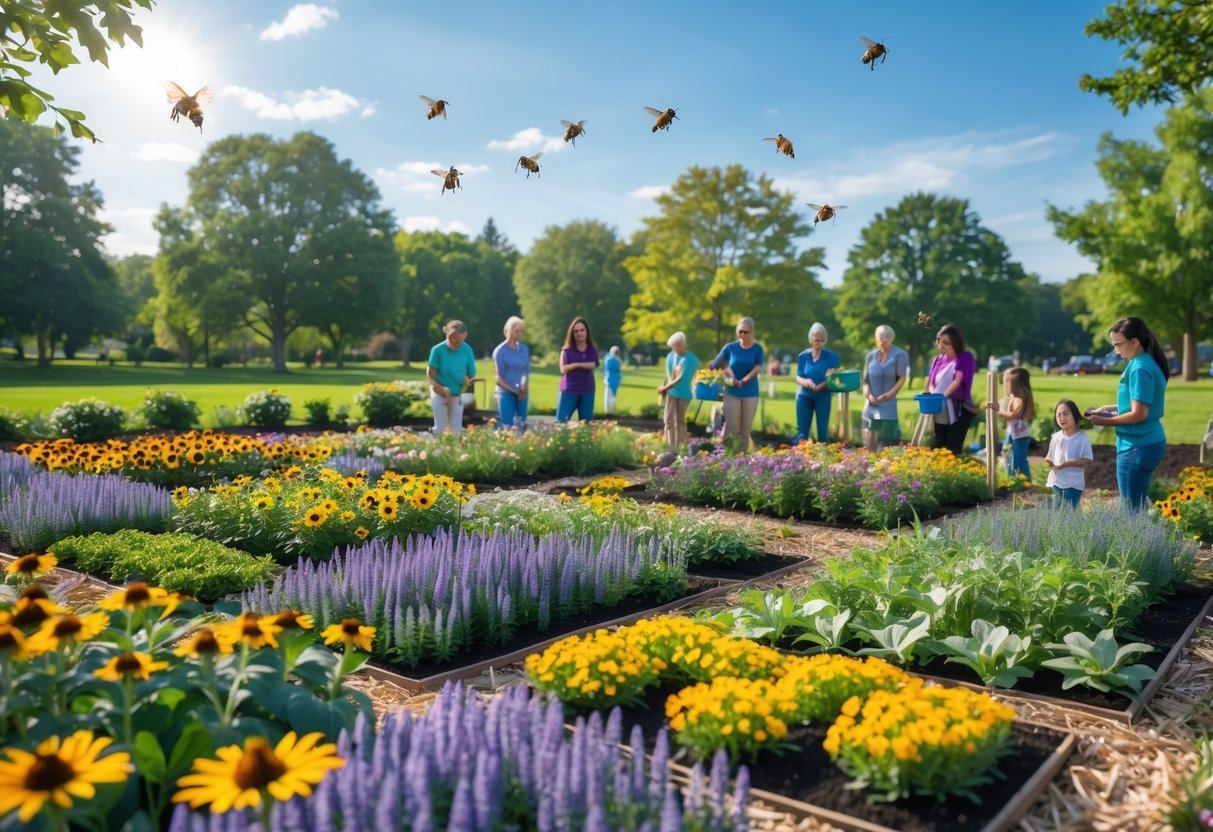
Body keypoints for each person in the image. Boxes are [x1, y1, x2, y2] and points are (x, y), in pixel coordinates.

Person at [1086, 316, 1169, 510]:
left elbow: (1139, 414)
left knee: (1131, 512)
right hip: (1146, 442)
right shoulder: (1143, 361)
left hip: (1137, 446)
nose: (1116, 351)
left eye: (1118, 345)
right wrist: (1109, 409)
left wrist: (1105, 421)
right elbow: (1140, 404)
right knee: (1136, 508)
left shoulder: (1139, 368)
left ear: (1135, 342)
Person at [710, 316, 763, 451]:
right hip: (731, 392)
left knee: (744, 431)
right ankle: (729, 457)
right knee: (732, 429)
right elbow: (714, 366)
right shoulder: (730, 348)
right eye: (740, 332)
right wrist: (727, 373)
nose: (742, 335)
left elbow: (757, 368)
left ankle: (742, 460)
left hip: (750, 392)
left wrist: (743, 381)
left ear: (752, 332)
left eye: (746, 332)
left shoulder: (757, 349)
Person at [926, 323, 978, 456]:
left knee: (952, 448)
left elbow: (957, 380)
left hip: (958, 408)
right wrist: (934, 396)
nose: (941, 345)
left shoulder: (965, 357)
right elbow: (931, 382)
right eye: (939, 341)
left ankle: (953, 468)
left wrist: (943, 396)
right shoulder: (938, 360)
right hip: (939, 408)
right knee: (938, 445)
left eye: (946, 342)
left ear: (955, 342)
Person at [861, 325, 910, 451]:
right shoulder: (870, 356)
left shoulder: (900, 355)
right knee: (869, 442)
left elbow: (901, 379)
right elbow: (865, 381)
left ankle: (886, 462)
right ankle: (868, 461)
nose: (884, 339)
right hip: (871, 404)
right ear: (876, 338)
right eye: (881, 336)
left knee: (887, 442)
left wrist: (887, 396)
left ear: (892, 338)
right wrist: (868, 395)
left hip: (888, 403)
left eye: (887, 336)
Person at [426, 320, 477, 435]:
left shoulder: (467, 350)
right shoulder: (437, 350)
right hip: (438, 391)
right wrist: (442, 389)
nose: (455, 342)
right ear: (445, 331)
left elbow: (471, 374)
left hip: (457, 394)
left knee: (456, 431)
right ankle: (435, 433)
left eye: (458, 341)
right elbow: (430, 376)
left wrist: (467, 382)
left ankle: (441, 438)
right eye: (451, 338)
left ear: (464, 337)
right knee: (441, 429)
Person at [794, 322, 840, 443]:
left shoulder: (831, 357)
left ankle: (822, 452)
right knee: (802, 433)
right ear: (810, 339)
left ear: (825, 340)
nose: (818, 343)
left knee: (822, 432)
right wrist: (806, 382)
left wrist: (821, 386)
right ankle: (799, 452)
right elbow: (798, 376)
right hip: (804, 395)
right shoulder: (803, 356)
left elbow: (833, 377)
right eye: (816, 340)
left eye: (821, 340)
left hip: (823, 396)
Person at [987, 367, 1035, 481]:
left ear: (1016, 385)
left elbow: (1011, 415)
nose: (1005, 384)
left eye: (1008, 381)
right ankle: (1011, 477)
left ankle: (1026, 481)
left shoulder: (1019, 399)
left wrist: (997, 411)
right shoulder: (1013, 397)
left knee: (1019, 459)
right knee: (1006, 453)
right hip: (1014, 433)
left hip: (1020, 436)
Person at [1045, 399, 1093, 508]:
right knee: (1056, 512)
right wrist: (1050, 463)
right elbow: (1050, 457)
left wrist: (1067, 464)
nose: (1062, 418)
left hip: (1073, 484)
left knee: (1070, 512)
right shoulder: (1056, 437)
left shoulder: (1082, 438)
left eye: (1066, 414)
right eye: (1058, 415)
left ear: (1075, 415)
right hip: (1056, 482)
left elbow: (1087, 460)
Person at [657, 331, 700, 451]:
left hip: (684, 393)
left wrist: (665, 388)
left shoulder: (690, 358)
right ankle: (669, 448)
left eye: (676, 347)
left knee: (680, 421)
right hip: (671, 392)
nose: (674, 350)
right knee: (668, 420)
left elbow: (680, 378)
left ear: (683, 345)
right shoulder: (670, 356)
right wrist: (663, 386)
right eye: (673, 347)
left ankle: (678, 448)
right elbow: (669, 376)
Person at [557, 317, 599, 422]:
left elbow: (593, 364)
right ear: (572, 334)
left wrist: (574, 365)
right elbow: (563, 369)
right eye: (576, 331)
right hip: (569, 391)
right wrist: (580, 365)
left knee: (585, 425)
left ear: (587, 331)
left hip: (587, 392)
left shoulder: (592, 349)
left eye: (582, 330)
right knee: (560, 423)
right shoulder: (566, 351)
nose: (579, 333)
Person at [492, 316, 530, 432]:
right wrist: (514, 391)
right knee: (507, 427)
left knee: (522, 425)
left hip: (522, 393)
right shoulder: (500, 351)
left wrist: (523, 386)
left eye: (521, 331)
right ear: (507, 331)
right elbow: (499, 377)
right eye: (516, 331)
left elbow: (525, 370)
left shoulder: (524, 349)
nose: (519, 334)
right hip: (505, 393)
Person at [603, 346, 623, 414]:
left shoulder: (613, 359)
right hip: (610, 379)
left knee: (612, 395)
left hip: (613, 379)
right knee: (610, 395)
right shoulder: (611, 359)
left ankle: (611, 411)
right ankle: (609, 411)